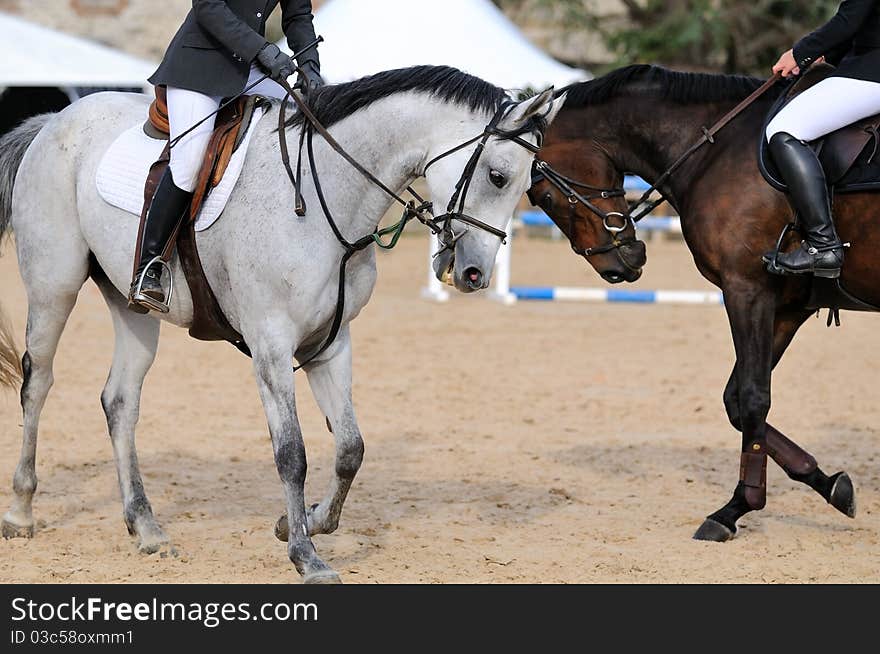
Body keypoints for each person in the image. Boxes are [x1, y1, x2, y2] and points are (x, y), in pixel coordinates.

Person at [129, 0, 323, 312]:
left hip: (248, 67)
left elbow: (298, 14)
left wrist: (310, 63)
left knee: (314, 118)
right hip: (200, 66)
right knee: (190, 163)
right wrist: (262, 49)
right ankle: (149, 266)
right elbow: (209, 7)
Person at [764, 0, 880, 278]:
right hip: (866, 63)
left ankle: (823, 244)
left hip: (872, 72)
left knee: (784, 130)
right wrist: (827, 55)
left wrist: (800, 53)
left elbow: (850, 19)